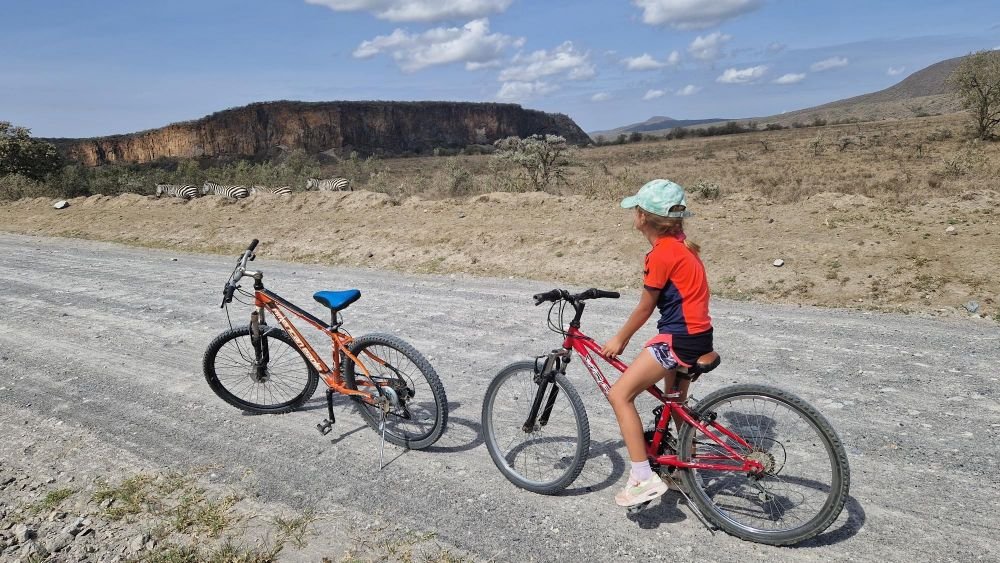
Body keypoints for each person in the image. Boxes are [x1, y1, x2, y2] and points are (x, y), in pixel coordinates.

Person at [600, 179, 714, 507]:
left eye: (636, 209)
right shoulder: (682, 245)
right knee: (675, 401)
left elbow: (645, 307)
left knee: (619, 394)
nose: (633, 215)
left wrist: (620, 339)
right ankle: (686, 473)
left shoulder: (662, 254)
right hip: (699, 336)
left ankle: (642, 478)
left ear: (644, 218)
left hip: (678, 339)